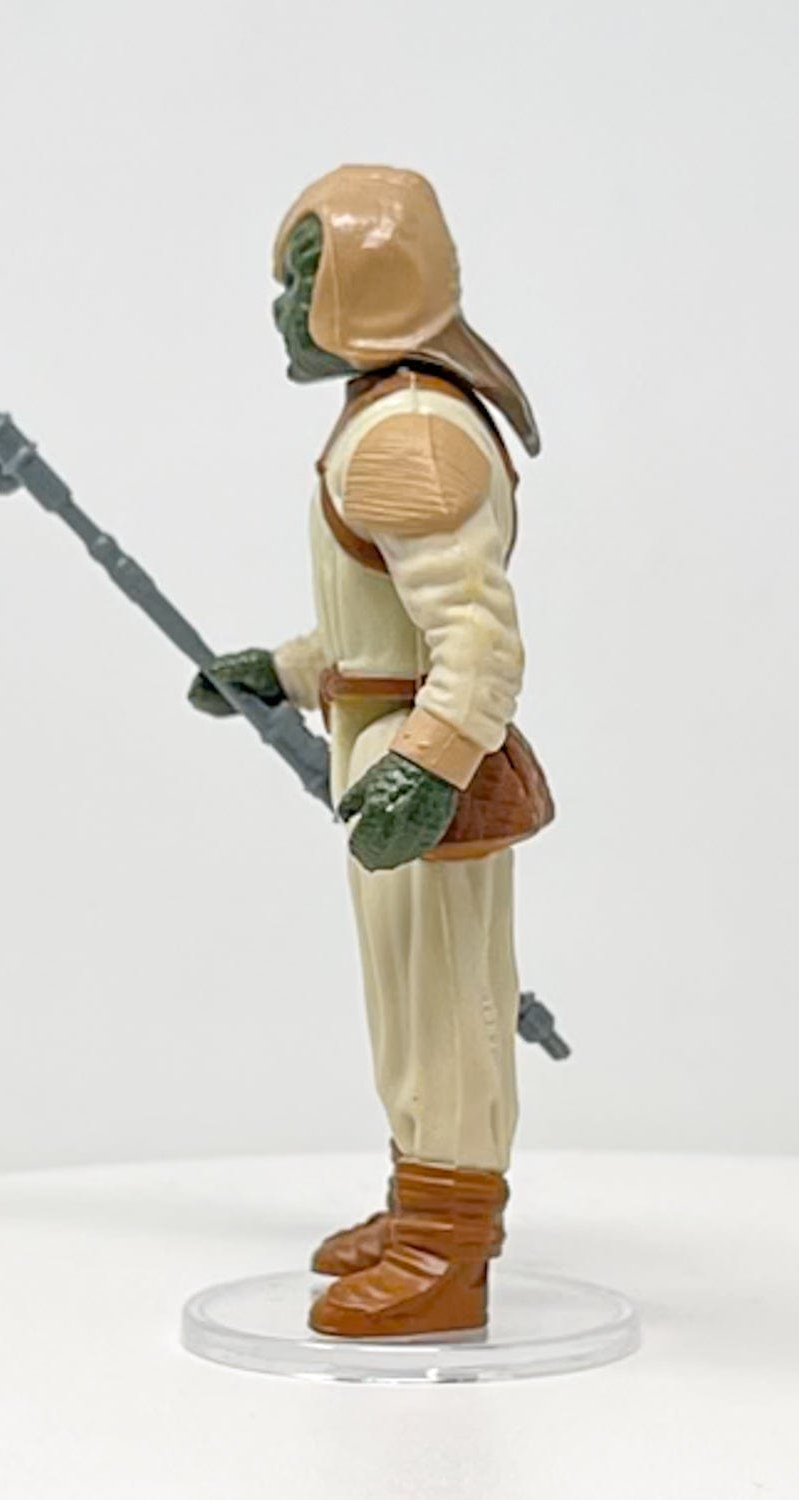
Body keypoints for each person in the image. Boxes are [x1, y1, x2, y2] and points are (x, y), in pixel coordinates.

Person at [190, 165, 553, 1338]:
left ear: (365, 288)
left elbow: (478, 643)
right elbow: (377, 630)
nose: (283, 308)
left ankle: (449, 1248)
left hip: (420, 757)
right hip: (390, 743)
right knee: (408, 999)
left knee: (445, 1004)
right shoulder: (388, 417)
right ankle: (421, 1206)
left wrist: (429, 767)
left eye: (305, 279)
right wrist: (285, 671)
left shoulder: (410, 434)